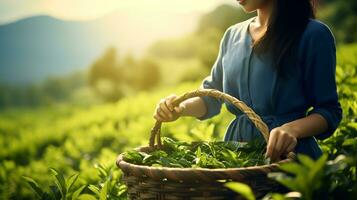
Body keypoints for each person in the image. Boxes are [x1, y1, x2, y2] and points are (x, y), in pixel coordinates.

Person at [153, 0, 342, 162]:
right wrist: (180, 108)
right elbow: (211, 97)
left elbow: (328, 111)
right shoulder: (231, 35)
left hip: (290, 157)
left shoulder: (313, 34)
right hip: (237, 157)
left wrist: (292, 129)